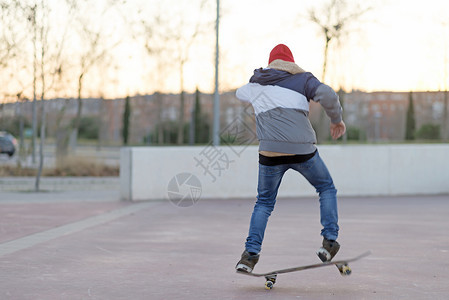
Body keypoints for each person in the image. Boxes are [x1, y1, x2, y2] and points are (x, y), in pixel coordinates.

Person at [235, 44, 346, 273]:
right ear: (291, 63)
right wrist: (336, 119)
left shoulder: (257, 84)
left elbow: (240, 93)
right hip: (302, 150)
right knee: (326, 187)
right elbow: (328, 94)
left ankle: (249, 256)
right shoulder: (303, 80)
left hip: (269, 153)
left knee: (264, 203)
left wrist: (258, 79)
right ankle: (329, 242)